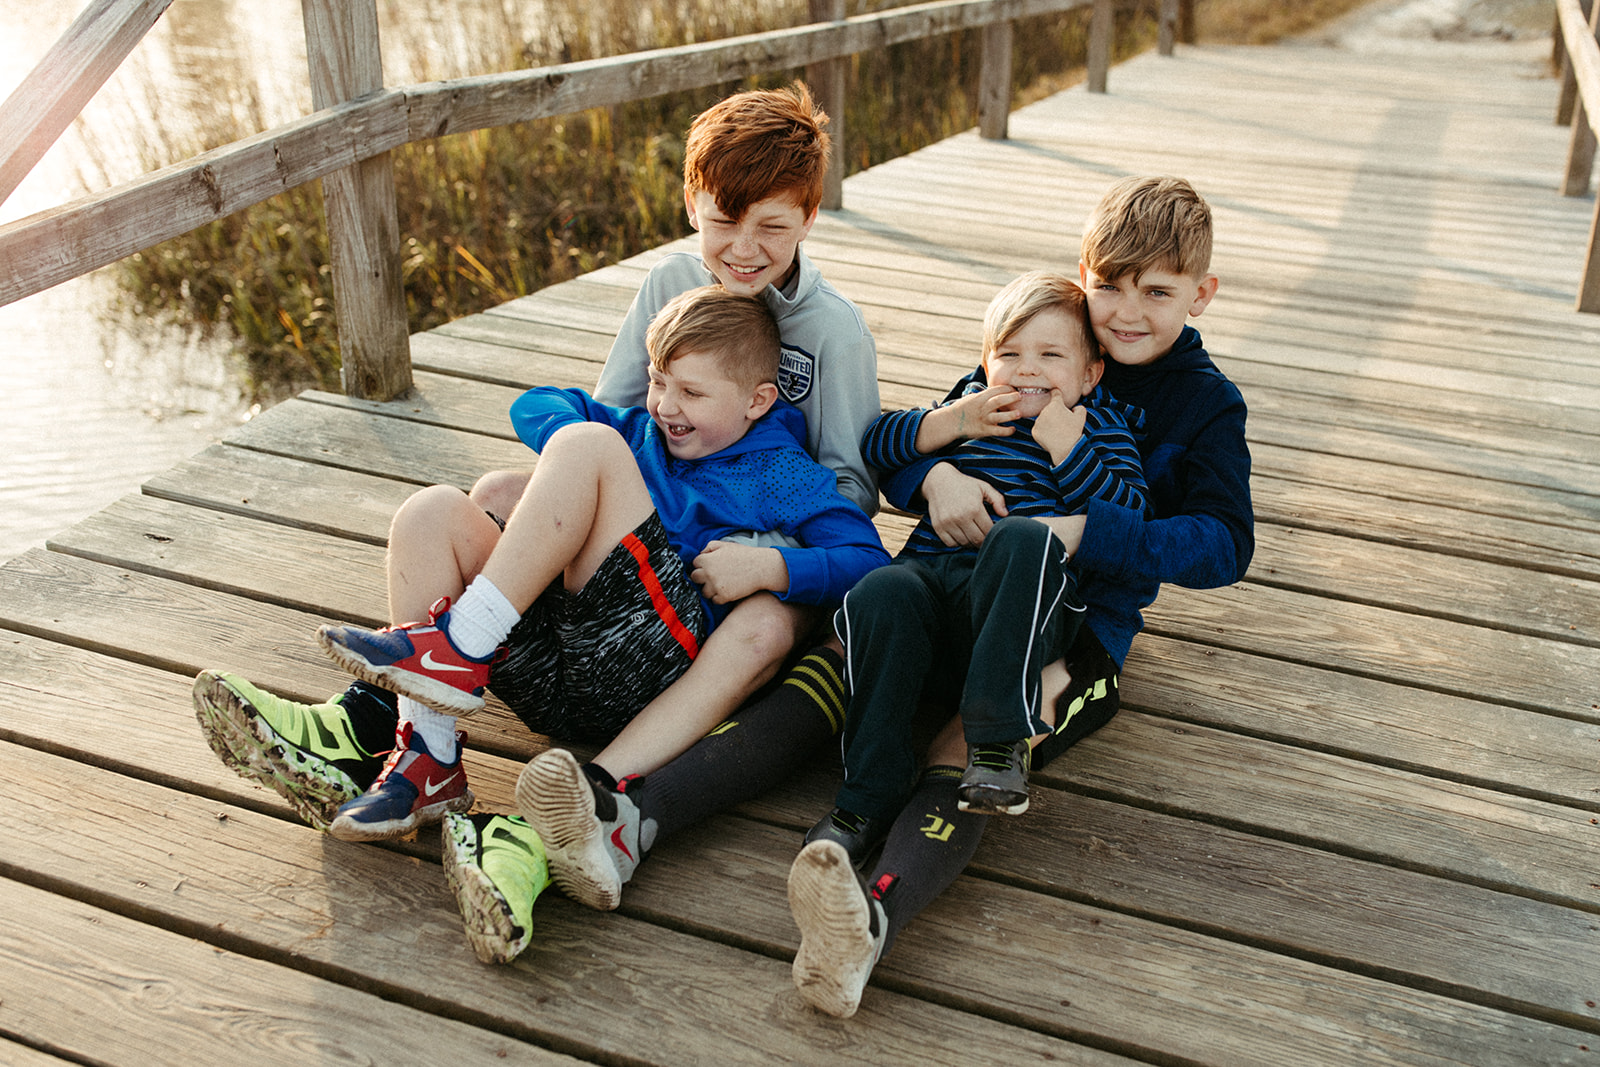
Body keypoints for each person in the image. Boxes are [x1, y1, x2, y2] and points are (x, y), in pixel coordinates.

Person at [192, 80, 878, 838]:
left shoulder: (832, 334)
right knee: (473, 497)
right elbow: (612, 416)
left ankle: (424, 681)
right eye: (723, 220)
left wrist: (760, 558)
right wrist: (594, 490)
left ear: (809, 218)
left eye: (772, 228)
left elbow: (850, 490)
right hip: (640, 549)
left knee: (579, 470)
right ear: (692, 205)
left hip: (738, 565)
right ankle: (423, 748)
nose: (743, 249)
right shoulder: (670, 285)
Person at [786, 175, 1254, 1018]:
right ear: (1083, 275)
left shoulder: (1206, 405)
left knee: (979, 726)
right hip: (953, 587)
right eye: (1108, 285)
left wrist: (1082, 533)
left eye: (1157, 292)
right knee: (858, 635)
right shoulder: (1043, 341)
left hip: (1079, 624)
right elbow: (922, 434)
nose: (1126, 310)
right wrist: (938, 479)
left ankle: (875, 916)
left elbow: (1225, 544)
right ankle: (835, 809)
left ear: (1202, 294)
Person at [311, 285, 886, 849]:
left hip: (651, 663)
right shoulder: (640, 431)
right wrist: (572, 462)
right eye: (658, 381)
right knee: (429, 511)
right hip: (559, 666)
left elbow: (868, 564)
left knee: (591, 446)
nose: (665, 405)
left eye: (691, 392)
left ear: (757, 401)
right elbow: (533, 403)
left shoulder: (780, 472)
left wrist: (770, 568)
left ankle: (458, 645)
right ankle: (427, 760)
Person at [803, 270, 1146, 877]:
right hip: (936, 590)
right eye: (1008, 354)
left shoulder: (1100, 429)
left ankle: (996, 743)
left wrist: (1070, 449)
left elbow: (1129, 520)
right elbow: (881, 442)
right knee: (883, 585)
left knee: (1021, 538)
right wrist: (952, 430)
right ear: (984, 363)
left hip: (1026, 607)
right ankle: (865, 798)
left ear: (1091, 373)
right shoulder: (970, 405)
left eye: (1050, 355)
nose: (1026, 370)